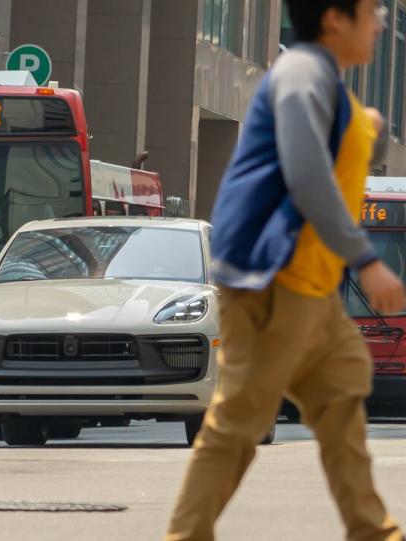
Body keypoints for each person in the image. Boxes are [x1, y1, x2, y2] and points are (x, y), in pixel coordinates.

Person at [165, 1, 404, 540]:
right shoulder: (300, 73)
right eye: (373, 10)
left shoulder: (328, 87)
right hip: (272, 284)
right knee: (239, 425)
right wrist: (367, 260)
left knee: (342, 402)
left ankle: (374, 531)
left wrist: (369, 129)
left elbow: (347, 144)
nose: (382, 20)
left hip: (313, 293)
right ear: (335, 18)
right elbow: (304, 170)